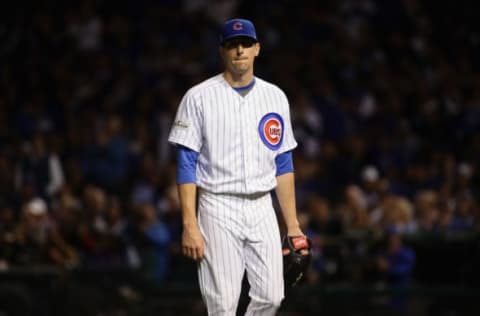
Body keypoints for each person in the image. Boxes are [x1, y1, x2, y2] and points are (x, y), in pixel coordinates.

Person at [168, 18, 306, 316]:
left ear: (257, 49)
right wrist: (190, 224)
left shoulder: (275, 97)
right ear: (222, 51)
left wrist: (292, 225)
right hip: (218, 205)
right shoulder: (198, 97)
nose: (240, 50)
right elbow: (186, 164)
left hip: (261, 206)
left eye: (245, 44)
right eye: (232, 45)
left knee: (272, 297)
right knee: (223, 305)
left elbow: (283, 164)